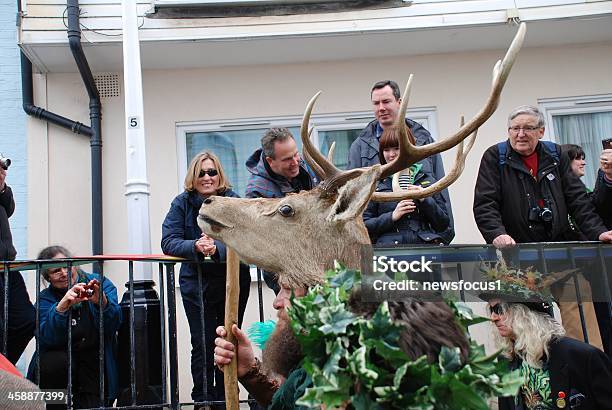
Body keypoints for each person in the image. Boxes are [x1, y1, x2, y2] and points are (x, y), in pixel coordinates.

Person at [474, 105, 612, 349]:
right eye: (515, 128)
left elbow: (578, 200)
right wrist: (498, 234)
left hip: (560, 256)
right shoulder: (495, 157)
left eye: (528, 128)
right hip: (516, 260)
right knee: (525, 329)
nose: (520, 134)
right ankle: (530, 382)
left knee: (581, 310)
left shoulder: (555, 154)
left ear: (541, 131)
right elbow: (485, 205)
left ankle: (589, 375)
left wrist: (598, 231)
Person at [213, 278, 471, 408]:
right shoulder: (311, 372)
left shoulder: (337, 370)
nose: (277, 302)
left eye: (288, 290)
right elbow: (290, 401)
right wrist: (249, 372)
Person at [161, 151, 250, 408]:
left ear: (219, 174)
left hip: (231, 282)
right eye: (201, 172)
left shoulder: (233, 200)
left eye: (212, 172)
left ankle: (225, 398)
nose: (207, 177)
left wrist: (218, 249)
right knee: (201, 343)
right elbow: (168, 241)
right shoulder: (181, 203)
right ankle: (202, 400)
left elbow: (245, 238)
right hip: (195, 282)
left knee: (228, 339)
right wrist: (197, 246)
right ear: (193, 176)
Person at [347, 80, 454, 244]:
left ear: (399, 102)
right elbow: (354, 202)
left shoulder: (424, 140)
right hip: (383, 247)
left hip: (424, 244)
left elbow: (441, 191)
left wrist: (445, 236)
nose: (381, 108)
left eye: (386, 101)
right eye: (376, 103)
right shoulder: (359, 147)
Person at [26, 245, 122, 408]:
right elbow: (45, 338)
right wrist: (61, 308)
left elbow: (114, 324)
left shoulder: (99, 283)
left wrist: (102, 303)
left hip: (94, 367)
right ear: (48, 278)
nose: (64, 272)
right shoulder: (45, 299)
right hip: (56, 375)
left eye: (66, 265)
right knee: (53, 368)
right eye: (56, 270)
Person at [487, 298, 612, 409]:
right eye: (491, 310)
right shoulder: (506, 360)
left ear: (523, 313)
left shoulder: (582, 356)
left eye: (499, 309)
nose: (493, 317)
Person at [244, 128, 318, 294]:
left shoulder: (305, 167)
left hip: (315, 259)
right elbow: (263, 242)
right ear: (271, 161)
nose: (296, 161)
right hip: (283, 269)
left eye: (296, 154)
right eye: (287, 159)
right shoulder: (256, 192)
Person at [363, 126, 450, 246]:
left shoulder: (427, 180)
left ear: (409, 148)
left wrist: (425, 199)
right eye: (386, 150)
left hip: (424, 251)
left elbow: (443, 224)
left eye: (397, 148)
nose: (391, 154)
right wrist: (391, 217)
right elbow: (364, 226)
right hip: (389, 255)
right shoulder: (374, 183)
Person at [0, 164, 35, 364]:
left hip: (7, 267)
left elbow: (9, 208)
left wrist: (2, 186)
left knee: (26, 321)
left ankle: (4, 371)